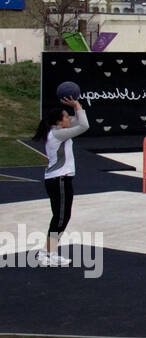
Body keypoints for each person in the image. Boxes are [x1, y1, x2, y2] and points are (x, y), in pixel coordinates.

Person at [32, 95, 89, 266]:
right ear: (58, 121)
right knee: (61, 217)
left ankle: (48, 252)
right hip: (59, 180)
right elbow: (84, 125)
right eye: (65, 116)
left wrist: (74, 107)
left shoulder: (56, 131)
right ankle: (46, 254)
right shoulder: (58, 133)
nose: (69, 119)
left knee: (60, 216)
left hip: (57, 180)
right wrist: (77, 105)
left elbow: (77, 121)